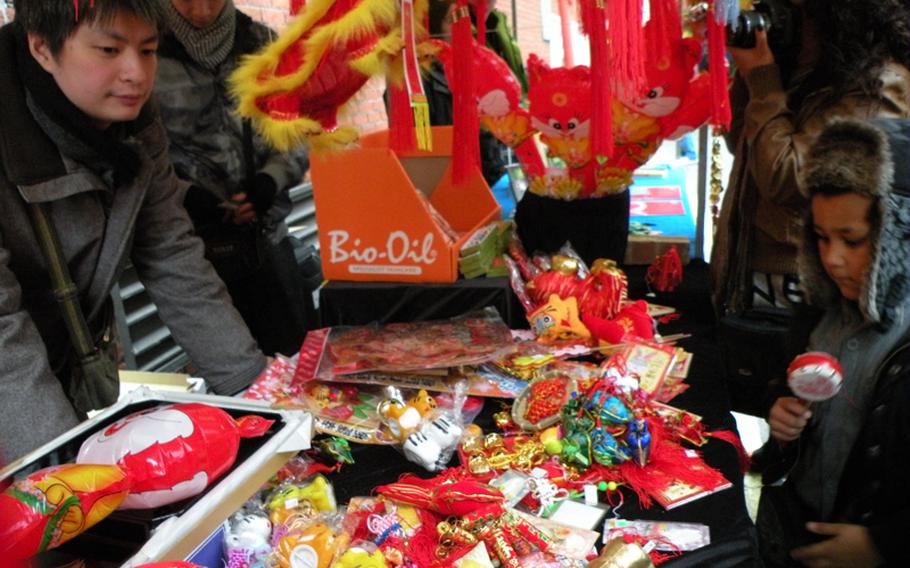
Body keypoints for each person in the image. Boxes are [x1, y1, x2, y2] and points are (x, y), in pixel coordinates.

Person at [0, 0, 267, 463]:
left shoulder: (137, 123)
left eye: (148, 50)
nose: (136, 74)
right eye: (108, 49)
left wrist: (257, 397)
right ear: (42, 47)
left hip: (65, 359)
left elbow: (172, 254)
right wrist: (63, 482)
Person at [755, 117, 910, 567]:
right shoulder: (817, 315)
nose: (833, 259)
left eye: (854, 240)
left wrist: (884, 545)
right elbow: (787, 385)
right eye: (820, 238)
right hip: (796, 533)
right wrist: (781, 416)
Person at [710, 0, 910, 317]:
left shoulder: (876, 82)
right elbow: (743, 144)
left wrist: (762, 79)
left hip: (805, 288)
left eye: (797, 11)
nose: (779, 18)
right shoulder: (800, 69)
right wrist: (752, 74)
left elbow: (787, 178)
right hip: (752, 274)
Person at [154, 0, 312, 357]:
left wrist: (270, 180)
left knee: (295, 362)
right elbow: (136, 152)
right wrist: (186, 195)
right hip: (193, 253)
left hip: (267, 240)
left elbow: (295, 131)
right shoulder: (147, 52)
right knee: (227, 368)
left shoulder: (263, 45)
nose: (201, 8)